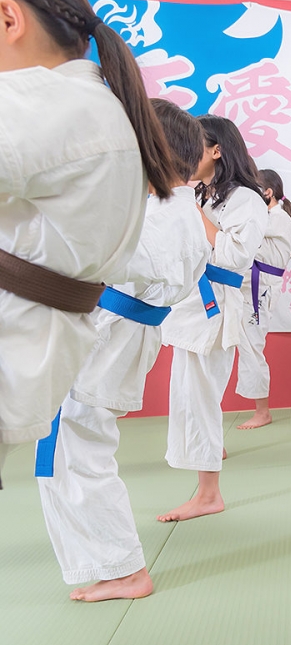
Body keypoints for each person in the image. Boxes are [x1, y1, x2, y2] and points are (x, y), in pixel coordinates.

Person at [0, 0, 175, 483]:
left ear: (10, 19)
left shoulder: (42, 104)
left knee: (86, 460)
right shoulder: (95, 104)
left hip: (35, 331)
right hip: (50, 336)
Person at [35, 99, 211, 602]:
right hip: (115, 335)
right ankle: (107, 563)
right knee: (75, 447)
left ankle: (124, 570)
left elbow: (90, 256)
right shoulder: (172, 209)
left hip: (108, 340)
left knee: (81, 448)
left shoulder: (158, 216)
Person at [159, 115, 267, 521]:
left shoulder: (247, 200)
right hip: (190, 305)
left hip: (216, 306)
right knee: (188, 399)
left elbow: (235, 256)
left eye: (193, 146)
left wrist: (188, 205)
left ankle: (209, 494)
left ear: (217, 150)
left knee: (200, 400)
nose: (185, 155)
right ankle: (205, 477)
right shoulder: (204, 194)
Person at [234, 169, 291, 430]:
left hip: (259, 288)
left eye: (254, 192)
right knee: (245, 343)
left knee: (252, 345)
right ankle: (259, 408)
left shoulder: (279, 219)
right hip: (250, 286)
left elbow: (242, 230)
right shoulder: (270, 217)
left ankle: (262, 411)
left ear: (268, 193)